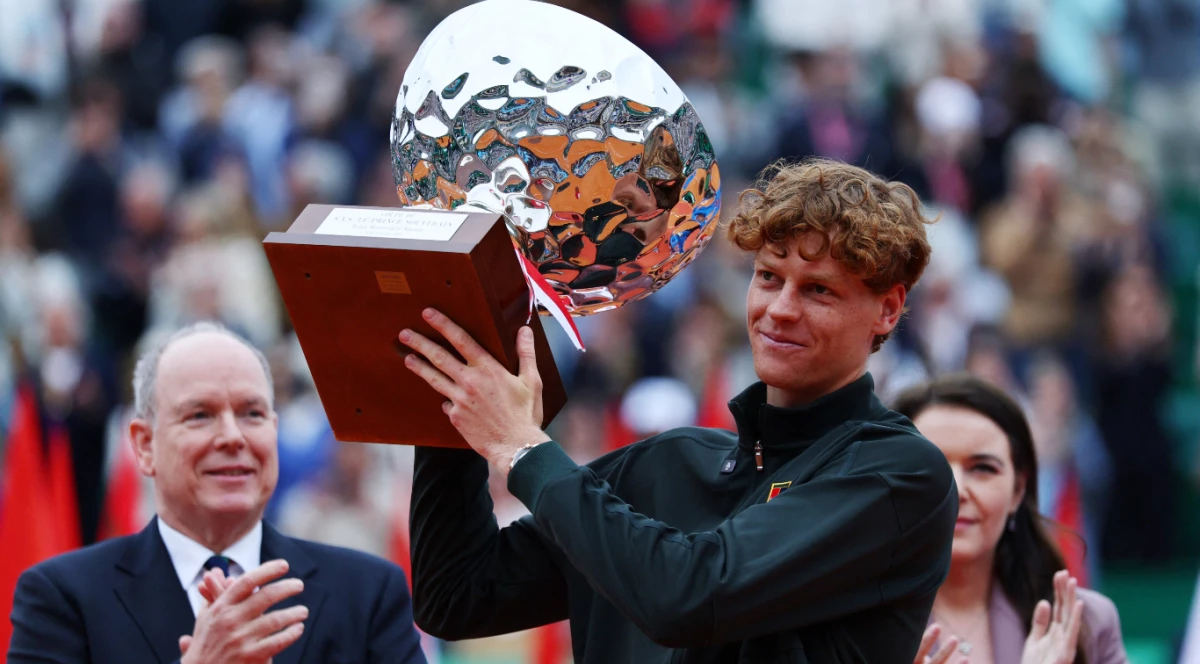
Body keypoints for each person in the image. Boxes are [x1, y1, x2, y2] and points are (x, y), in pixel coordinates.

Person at [403, 159, 958, 661]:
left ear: (887, 310)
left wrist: (523, 449)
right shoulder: (666, 461)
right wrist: (460, 379)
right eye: (768, 276)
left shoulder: (898, 473)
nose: (779, 310)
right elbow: (456, 597)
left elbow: (691, 597)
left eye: (818, 290)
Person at [8, 323, 427, 664]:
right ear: (144, 445)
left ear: (275, 432)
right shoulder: (61, 598)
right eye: (200, 415)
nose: (232, 436)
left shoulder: (369, 593)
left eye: (252, 413)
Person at [892, 374, 1128, 664]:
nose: (956, 490)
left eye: (982, 468)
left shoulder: (1087, 625)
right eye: (929, 466)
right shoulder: (843, 621)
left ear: (1018, 490)